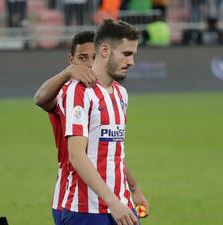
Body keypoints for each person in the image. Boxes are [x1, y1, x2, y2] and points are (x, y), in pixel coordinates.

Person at [59, 19, 149, 225]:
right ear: (105, 50)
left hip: (122, 204)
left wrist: (134, 189)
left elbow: (113, 151)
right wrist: (112, 201)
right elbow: (76, 155)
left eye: (133, 54)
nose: (132, 61)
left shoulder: (121, 93)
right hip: (87, 210)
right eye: (126, 54)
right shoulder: (78, 91)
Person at [34, 31, 97, 225]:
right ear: (71, 59)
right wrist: (68, 72)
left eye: (93, 58)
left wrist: (133, 187)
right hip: (70, 195)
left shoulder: (111, 96)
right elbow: (40, 98)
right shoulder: (65, 94)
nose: (88, 64)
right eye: (82, 58)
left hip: (105, 192)